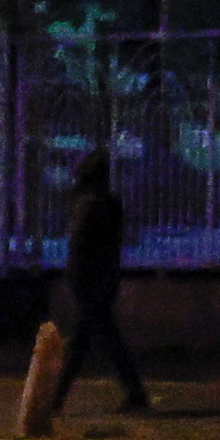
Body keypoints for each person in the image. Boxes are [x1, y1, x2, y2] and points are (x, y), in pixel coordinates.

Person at [41, 152, 152, 419]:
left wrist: (75, 278)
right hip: (105, 279)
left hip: (89, 281)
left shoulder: (88, 204)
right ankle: (135, 393)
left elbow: (79, 245)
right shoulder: (110, 203)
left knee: (83, 342)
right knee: (104, 338)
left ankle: (56, 400)